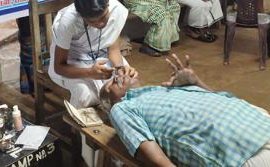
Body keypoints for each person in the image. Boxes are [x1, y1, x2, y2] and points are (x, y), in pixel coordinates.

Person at [101, 54, 270, 167]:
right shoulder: (123, 108)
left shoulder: (165, 88)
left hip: (259, 123)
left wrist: (195, 82)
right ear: (111, 102)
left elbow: (220, 98)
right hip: (241, 152)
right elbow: (146, 147)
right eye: (111, 84)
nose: (118, 76)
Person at [49, 0, 137, 108]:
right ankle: (83, 125)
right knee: (85, 95)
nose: (100, 24)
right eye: (91, 22)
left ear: (107, 4)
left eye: (103, 17)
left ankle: (122, 119)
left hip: (101, 55)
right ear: (81, 16)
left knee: (131, 83)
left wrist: (119, 68)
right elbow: (59, 66)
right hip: (72, 60)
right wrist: (89, 72)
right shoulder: (69, 21)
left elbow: (113, 50)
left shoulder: (115, 10)